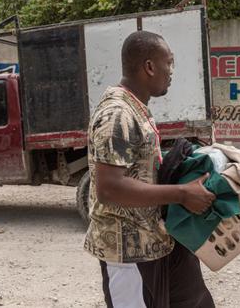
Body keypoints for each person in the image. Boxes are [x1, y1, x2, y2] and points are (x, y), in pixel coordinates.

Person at [84, 30, 216, 307]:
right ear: (149, 66)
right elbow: (109, 188)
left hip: (152, 242)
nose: (171, 71)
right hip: (127, 254)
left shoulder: (135, 109)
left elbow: (136, 166)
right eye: (169, 63)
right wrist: (181, 194)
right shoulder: (117, 114)